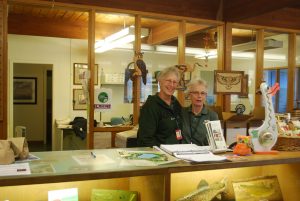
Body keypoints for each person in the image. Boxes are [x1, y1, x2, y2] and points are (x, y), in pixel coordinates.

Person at [137, 66, 183, 147]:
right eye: (168, 81)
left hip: (176, 152)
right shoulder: (151, 106)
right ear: (160, 82)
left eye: (175, 82)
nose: (171, 85)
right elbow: (145, 139)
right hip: (160, 154)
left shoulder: (176, 104)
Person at [182, 79, 219, 146]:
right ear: (190, 95)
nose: (199, 96)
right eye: (196, 93)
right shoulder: (181, 113)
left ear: (205, 96)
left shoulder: (212, 116)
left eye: (202, 93)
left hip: (204, 154)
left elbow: (217, 142)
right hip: (183, 153)